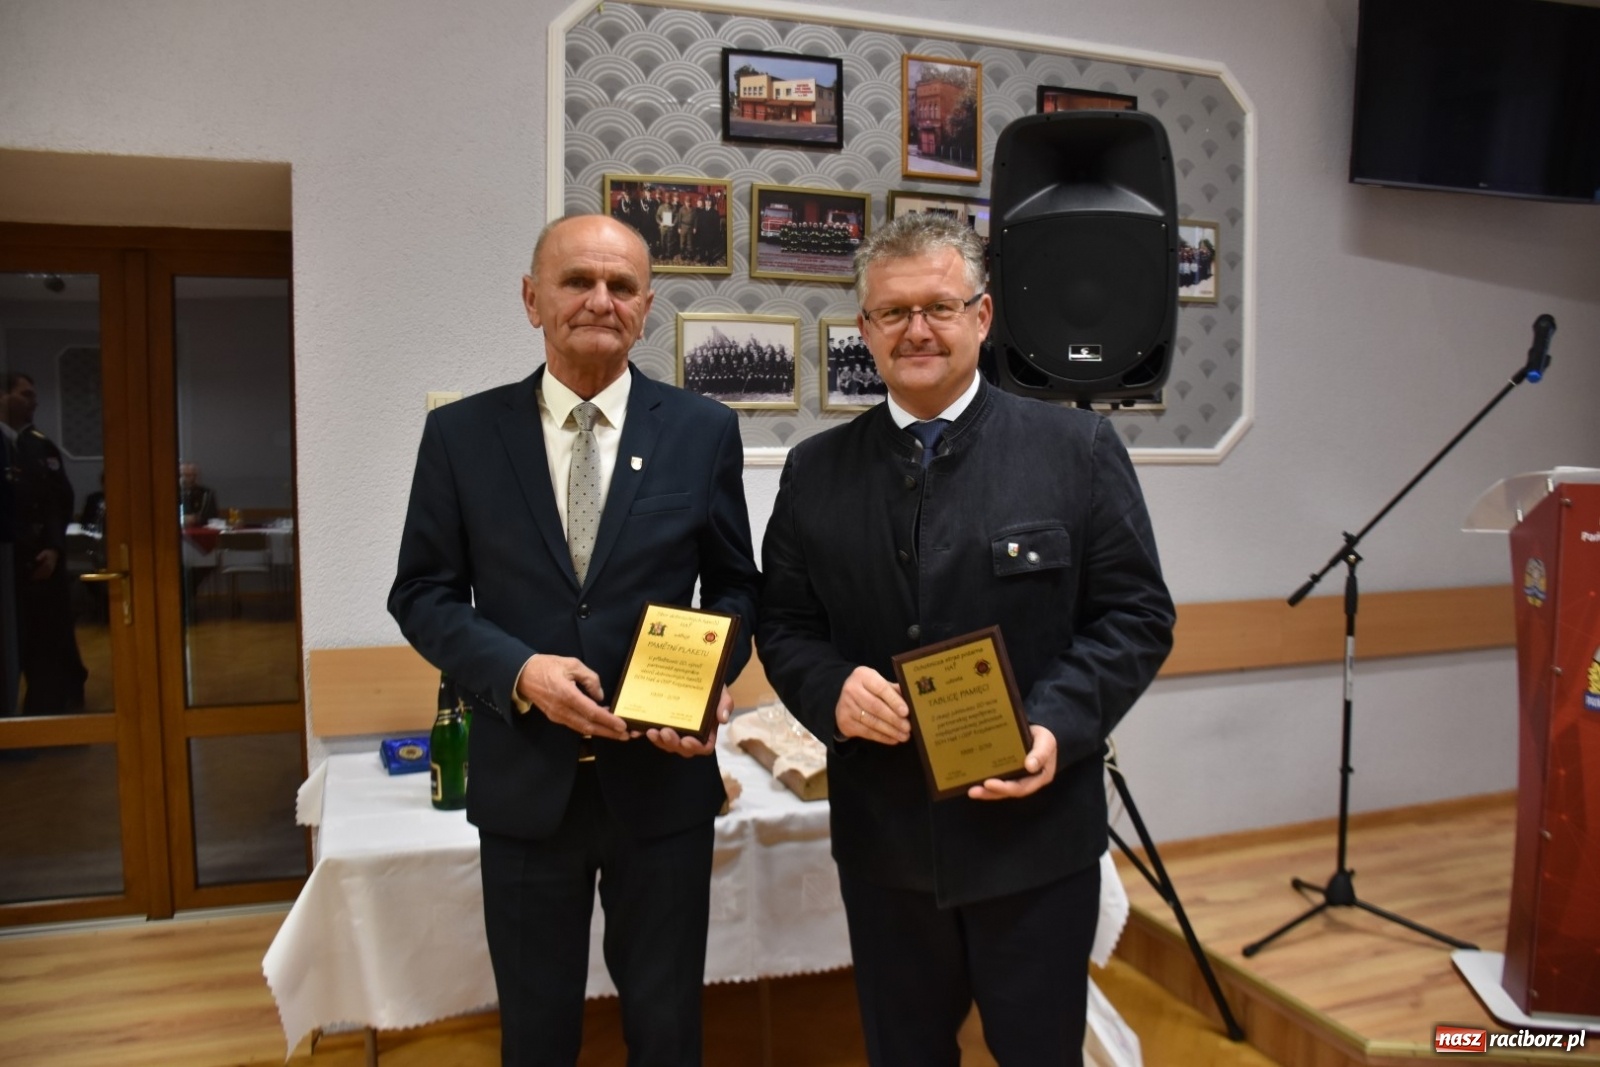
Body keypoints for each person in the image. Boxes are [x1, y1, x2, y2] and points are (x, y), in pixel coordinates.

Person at [755, 213, 1175, 1066]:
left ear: (982, 318)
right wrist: (830, 690)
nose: (917, 330)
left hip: (1034, 839)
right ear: (864, 329)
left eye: (940, 307)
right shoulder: (814, 472)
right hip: (886, 842)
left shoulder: (1078, 449)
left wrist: (1056, 721)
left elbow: (1136, 616)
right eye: (893, 312)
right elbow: (786, 625)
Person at [388, 213, 760, 1067]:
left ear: (646, 307)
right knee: (537, 1030)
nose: (601, 300)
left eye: (622, 286)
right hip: (525, 784)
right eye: (577, 281)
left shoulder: (702, 430)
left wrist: (713, 672)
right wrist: (518, 670)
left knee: (668, 1027)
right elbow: (422, 594)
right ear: (531, 299)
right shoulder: (462, 436)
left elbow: (737, 584)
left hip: (662, 783)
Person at [2, 372, 88, 713]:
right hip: (8, 556)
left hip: (42, 558)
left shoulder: (39, 444)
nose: (34, 402)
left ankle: (44, 716)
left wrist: (53, 547)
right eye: (25, 395)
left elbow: (58, 501)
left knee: (47, 643)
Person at [179, 462, 218, 527]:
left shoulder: (207, 494)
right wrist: (182, 519)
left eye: (191, 475)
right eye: (184, 475)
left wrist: (196, 519)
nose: (187, 478)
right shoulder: (171, 494)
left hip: (201, 531)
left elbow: (212, 518)